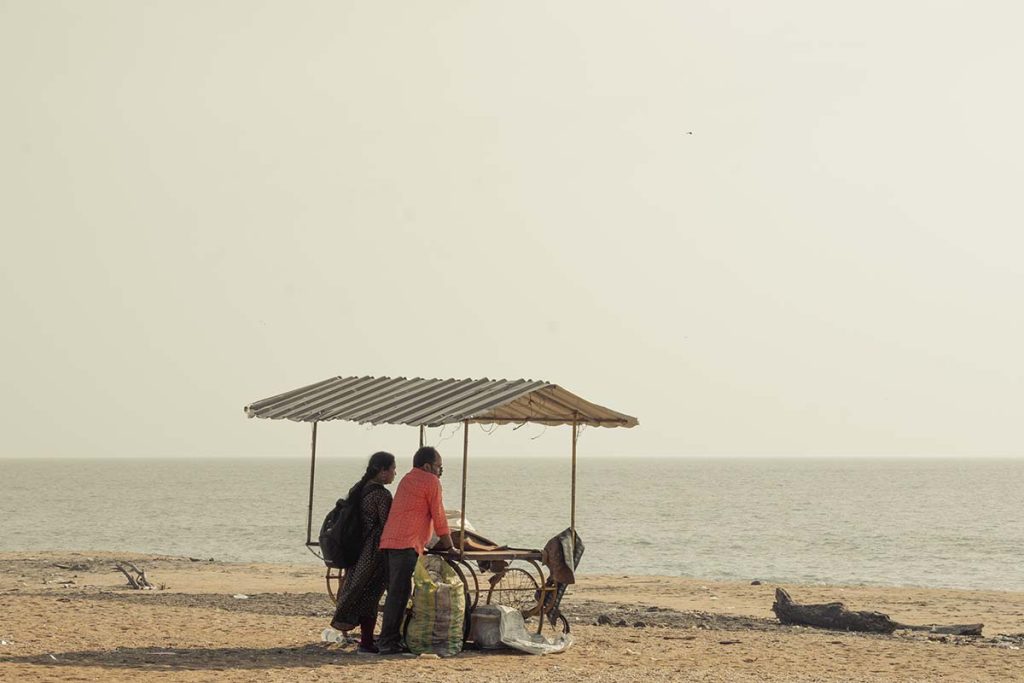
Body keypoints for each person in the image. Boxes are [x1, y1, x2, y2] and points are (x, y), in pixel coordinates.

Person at [375, 446, 454, 654]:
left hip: (390, 542)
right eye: (439, 466)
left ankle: (391, 638)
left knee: (396, 592)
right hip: (406, 543)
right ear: (427, 466)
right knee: (399, 594)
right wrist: (449, 545)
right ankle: (388, 641)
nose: (440, 471)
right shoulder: (431, 481)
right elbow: (438, 515)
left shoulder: (407, 479)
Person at [329, 451, 397, 654]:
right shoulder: (381, 495)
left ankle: (363, 638)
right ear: (383, 471)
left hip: (357, 549)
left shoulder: (359, 489)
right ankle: (366, 642)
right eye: (393, 469)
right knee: (370, 595)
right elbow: (387, 525)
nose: (395, 473)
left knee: (358, 590)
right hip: (374, 551)